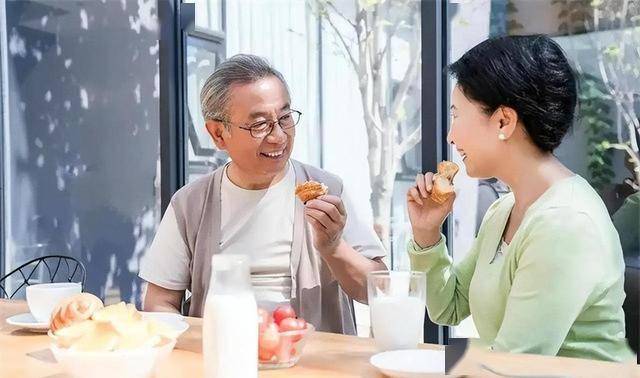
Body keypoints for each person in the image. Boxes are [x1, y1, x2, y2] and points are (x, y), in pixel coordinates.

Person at [406, 35, 635, 361]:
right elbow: (449, 307)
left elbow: (514, 365)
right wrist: (427, 234)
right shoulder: (505, 209)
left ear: (503, 121)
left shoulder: (565, 224)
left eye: (456, 115)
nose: (450, 135)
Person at [138, 54, 386, 335]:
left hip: (313, 360)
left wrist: (334, 247)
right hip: (221, 358)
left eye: (285, 117)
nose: (278, 136)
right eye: (259, 124)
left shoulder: (327, 190)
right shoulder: (190, 204)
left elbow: (380, 291)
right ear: (218, 134)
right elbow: (159, 302)